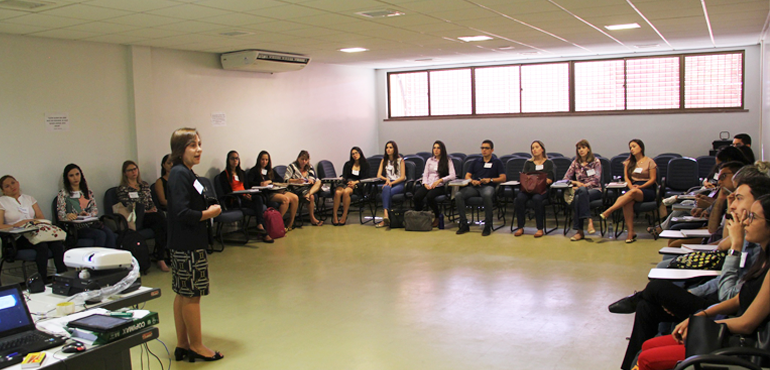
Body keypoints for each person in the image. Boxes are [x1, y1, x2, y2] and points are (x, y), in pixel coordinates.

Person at [613, 175, 770, 370]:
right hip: (720, 311)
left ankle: (639, 299)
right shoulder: (758, 248)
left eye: (739, 199)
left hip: (732, 331)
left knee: (655, 289)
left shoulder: (755, 247)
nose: (735, 205)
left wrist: (736, 247)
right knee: (647, 308)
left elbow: (730, 297)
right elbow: (722, 248)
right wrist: (729, 214)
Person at [167, 128, 223, 363]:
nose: (198, 149)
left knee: (182, 293)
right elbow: (182, 212)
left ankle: (182, 344)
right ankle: (197, 346)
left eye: (199, 144)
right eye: (192, 145)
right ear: (180, 150)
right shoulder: (180, 174)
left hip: (183, 243)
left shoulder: (187, 173)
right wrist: (208, 213)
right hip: (188, 244)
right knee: (192, 296)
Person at [0, 175, 67, 280]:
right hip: (18, 236)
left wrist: (29, 221)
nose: (12, 187)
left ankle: (63, 276)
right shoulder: (2, 202)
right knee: (42, 245)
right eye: (7, 186)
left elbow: (40, 217)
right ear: (3, 191)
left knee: (57, 243)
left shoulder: (29, 198)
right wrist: (16, 225)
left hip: (35, 231)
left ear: (17, 183)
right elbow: (1, 226)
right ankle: (43, 279)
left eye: (13, 183)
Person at [600, 139, 656, 243]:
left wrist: (640, 187)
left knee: (630, 194)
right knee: (627, 202)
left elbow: (653, 179)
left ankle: (610, 210)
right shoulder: (628, 163)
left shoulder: (650, 161)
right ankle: (631, 232)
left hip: (646, 189)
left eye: (634, 146)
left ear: (641, 147)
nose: (632, 149)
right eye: (630, 147)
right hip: (632, 187)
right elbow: (626, 178)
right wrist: (631, 187)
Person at [117, 160, 169, 271]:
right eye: (130, 170)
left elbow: (150, 201)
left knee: (161, 223)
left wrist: (152, 208)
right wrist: (145, 211)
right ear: (125, 173)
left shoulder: (144, 185)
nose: (133, 172)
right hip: (136, 218)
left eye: (135, 169)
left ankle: (161, 258)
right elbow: (128, 206)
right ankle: (161, 258)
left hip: (150, 216)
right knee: (160, 220)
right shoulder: (123, 189)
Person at [217, 150, 273, 243]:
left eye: (237, 158)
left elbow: (247, 187)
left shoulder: (241, 173)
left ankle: (259, 224)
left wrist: (248, 194)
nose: (235, 160)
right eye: (232, 158)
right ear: (228, 160)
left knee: (258, 198)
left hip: (244, 197)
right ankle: (264, 232)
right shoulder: (224, 174)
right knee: (258, 205)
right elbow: (227, 191)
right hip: (235, 199)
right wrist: (242, 196)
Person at [56, 163, 117, 248]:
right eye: (71, 175)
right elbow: (60, 214)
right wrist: (69, 216)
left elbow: (94, 209)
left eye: (77, 174)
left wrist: (88, 214)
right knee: (100, 235)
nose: (75, 178)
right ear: (67, 178)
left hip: (91, 223)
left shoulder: (88, 192)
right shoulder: (63, 194)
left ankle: (111, 259)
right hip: (76, 228)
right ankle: (95, 259)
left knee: (109, 233)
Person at [455, 139, 506, 237]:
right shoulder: (476, 161)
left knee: (487, 195)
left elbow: (503, 178)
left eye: (487, 148)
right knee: (458, 195)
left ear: (492, 150)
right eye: (482, 148)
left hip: (489, 186)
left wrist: (490, 180)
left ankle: (487, 225)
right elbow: (467, 176)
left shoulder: (497, 162)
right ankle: (464, 224)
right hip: (475, 187)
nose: (484, 150)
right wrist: (472, 181)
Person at [248, 151, 299, 232]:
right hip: (267, 193)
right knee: (285, 199)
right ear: (259, 160)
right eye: (262, 159)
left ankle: (290, 223)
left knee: (295, 198)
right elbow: (249, 183)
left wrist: (270, 181)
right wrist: (260, 183)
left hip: (276, 190)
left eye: (266, 160)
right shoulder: (254, 171)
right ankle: (276, 223)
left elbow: (280, 179)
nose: (264, 162)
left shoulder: (270, 170)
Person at [514, 140, 555, 238]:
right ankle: (520, 227)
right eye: (532, 148)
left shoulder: (548, 163)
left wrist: (539, 181)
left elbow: (550, 179)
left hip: (542, 189)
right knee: (519, 198)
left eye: (536, 147)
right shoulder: (528, 163)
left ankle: (540, 228)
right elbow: (524, 176)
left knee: (537, 199)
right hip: (529, 188)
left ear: (542, 149)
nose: (534, 150)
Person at [563, 139, 602, 241]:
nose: (581, 150)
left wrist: (582, 186)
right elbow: (565, 179)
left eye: (583, 148)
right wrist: (575, 183)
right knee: (580, 195)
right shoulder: (575, 163)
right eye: (579, 148)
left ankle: (579, 231)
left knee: (578, 196)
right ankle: (589, 221)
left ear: (588, 149)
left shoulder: (595, 162)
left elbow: (596, 180)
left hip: (595, 190)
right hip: (581, 190)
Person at [413, 140, 456, 227]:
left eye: (438, 148)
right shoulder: (429, 160)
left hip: (440, 186)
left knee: (430, 197)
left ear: (442, 150)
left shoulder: (447, 160)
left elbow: (453, 175)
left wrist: (440, 180)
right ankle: (420, 217)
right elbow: (425, 174)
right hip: (428, 184)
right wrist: (425, 183)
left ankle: (437, 216)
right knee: (417, 196)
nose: (436, 150)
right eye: (434, 148)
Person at [284, 150, 324, 226]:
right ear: (298, 158)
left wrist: (311, 180)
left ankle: (308, 195)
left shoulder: (309, 167)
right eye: (302, 159)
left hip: (307, 188)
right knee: (311, 197)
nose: (304, 161)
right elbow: (286, 180)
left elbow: (313, 178)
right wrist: (296, 181)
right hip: (296, 188)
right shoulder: (292, 167)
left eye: (306, 160)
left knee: (319, 182)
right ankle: (312, 219)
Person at [333, 147, 369, 226]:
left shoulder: (365, 164)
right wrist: (345, 181)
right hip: (347, 183)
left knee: (346, 192)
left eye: (356, 153)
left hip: (358, 184)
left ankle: (344, 216)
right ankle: (335, 216)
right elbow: (344, 176)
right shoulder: (348, 164)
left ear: (360, 153)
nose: (355, 155)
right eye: (353, 154)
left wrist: (355, 182)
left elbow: (365, 178)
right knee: (338, 192)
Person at [376, 141, 406, 228]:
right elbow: (378, 175)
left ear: (394, 149)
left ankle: (386, 218)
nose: (388, 149)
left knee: (386, 190)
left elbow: (403, 177)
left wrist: (391, 183)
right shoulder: (383, 160)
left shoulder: (400, 160)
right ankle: (386, 215)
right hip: (389, 182)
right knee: (386, 189)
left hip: (399, 183)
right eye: (387, 147)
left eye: (390, 147)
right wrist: (387, 179)